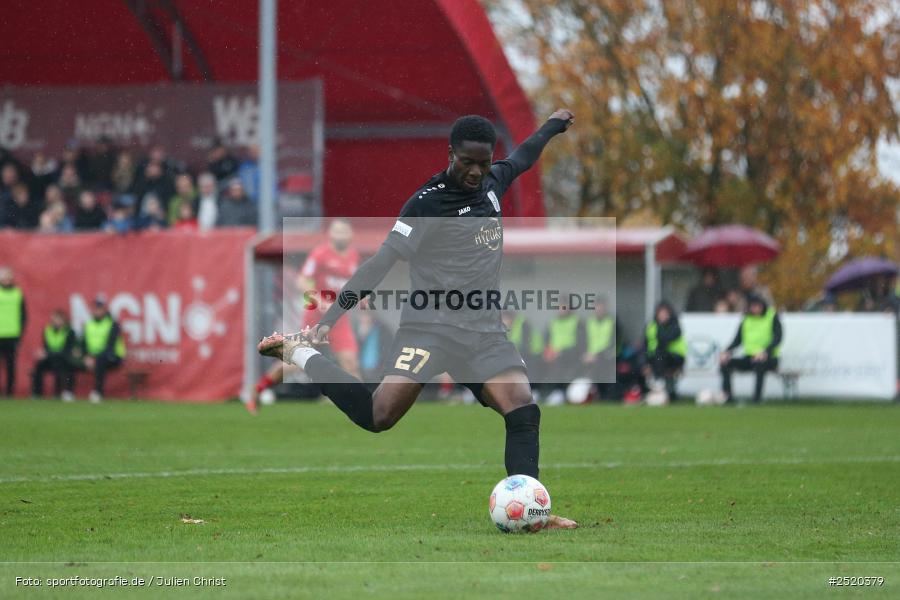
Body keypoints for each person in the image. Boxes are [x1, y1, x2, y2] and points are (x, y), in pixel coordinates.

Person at [256, 110, 579, 529]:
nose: (476, 172)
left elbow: (525, 155)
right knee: (380, 416)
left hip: (482, 332)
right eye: (467, 162)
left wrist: (552, 125)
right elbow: (381, 262)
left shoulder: (493, 183)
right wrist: (332, 316)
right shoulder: (426, 204)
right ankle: (298, 355)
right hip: (430, 328)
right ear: (450, 155)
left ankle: (534, 512)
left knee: (523, 410)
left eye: (483, 163)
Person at [248, 219, 361, 414]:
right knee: (295, 361)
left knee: (351, 363)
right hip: (316, 317)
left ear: (350, 235)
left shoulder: (353, 256)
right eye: (337, 231)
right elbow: (302, 281)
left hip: (339, 319)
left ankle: (359, 408)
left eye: (344, 231)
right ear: (330, 234)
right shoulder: (320, 254)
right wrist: (320, 301)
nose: (340, 235)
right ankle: (258, 388)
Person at [719, 294, 782, 404]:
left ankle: (757, 398)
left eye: (757, 306)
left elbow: (777, 338)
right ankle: (727, 397)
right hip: (749, 357)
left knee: (760, 363)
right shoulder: (746, 319)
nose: (755, 309)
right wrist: (726, 351)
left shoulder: (772, 316)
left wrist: (765, 352)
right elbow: (737, 340)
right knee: (725, 363)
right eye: (752, 306)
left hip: (769, 357)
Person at [81, 296, 126, 403]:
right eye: (95, 308)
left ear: (105, 309)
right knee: (67, 359)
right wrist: (86, 356)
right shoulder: (88, 324)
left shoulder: (112, 324)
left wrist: (93, 358)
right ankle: (65, 392)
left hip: (113, 356)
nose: (97, 311)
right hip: (93, 357)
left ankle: (98, 392)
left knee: (101, 360)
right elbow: (83, 344)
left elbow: (110, 346)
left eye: (100, 308)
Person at [542, 303, 585, 405]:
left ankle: (561, 393)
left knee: (562, 366)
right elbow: (546, 339)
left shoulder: (577, 321)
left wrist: (562, 352)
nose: (562, 310)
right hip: (554, 355)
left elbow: (581, 343)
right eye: (560, 307)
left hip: (571, 355)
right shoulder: (553, 322)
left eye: (564, 307)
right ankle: (546, 393)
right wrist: (548, 353)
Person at [641, 300, 686, 400]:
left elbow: (664, 340)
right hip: (655, 357)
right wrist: (644, 363)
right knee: (638, 364)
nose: (662, 316)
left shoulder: (675, 326)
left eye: (665, 313)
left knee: (660, 355)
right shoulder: (651, 326)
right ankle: (641, 392)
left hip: (675, 357)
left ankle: (659, 383)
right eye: (660, 313)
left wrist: (660, 327)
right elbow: (644, 345)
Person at [31, 309, 78, 401]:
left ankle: (65, 392)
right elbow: (46, 346)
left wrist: (48, 353)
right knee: (38, 366)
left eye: (58, 319)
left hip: (64, 359)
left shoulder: (69, 332)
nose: (56, 321)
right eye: (55, 318)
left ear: (64, 320)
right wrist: (43, 353)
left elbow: (67, 350)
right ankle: (37, 393)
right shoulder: (48, 330)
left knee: (65, 366)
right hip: (51, 358)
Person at [581, 297, 623, 398]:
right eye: (597, 306)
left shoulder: (612, 321)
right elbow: (583, 340)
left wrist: (598, 355)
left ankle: (604, 395)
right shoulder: (589, 321)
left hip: (608, 356)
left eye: (601, 306)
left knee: (603, 368)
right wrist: (585, 354)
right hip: (590, 357)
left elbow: (614, 342)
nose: (599, 309)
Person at [0, 267, 26, 396]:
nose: (5, 280)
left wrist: (20, 332)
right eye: (3, 277)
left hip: (12, 334)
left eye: (8, 277)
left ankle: (9, 391)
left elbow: (23, 315)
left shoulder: (17, 293)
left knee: (11, 365)